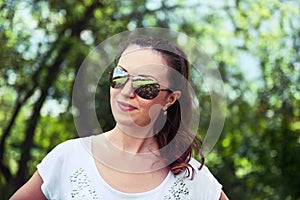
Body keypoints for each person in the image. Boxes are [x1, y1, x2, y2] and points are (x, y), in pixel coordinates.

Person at [10, 37, 228, 200]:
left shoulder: (191, 178)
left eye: (145, 86)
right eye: (120, 76)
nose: (126, 91)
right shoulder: (69, 158)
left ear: (170, 99)